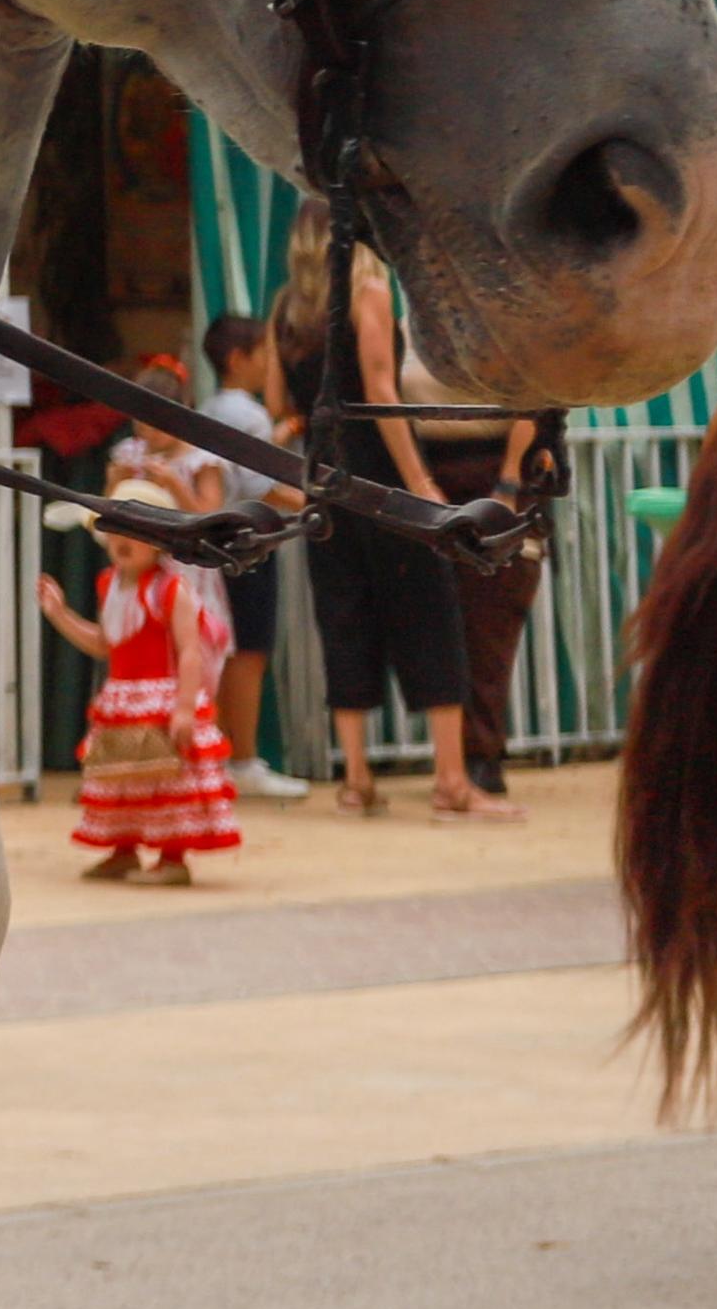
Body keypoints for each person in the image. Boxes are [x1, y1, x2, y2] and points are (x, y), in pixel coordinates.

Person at [273, 219, 493, 824]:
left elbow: (278, 404)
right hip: (382, 481)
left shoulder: (286, 311)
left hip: (327, 487)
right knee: (429, 615)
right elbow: (381, 390)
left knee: (344, 618)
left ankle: (357, 780)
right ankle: (450, 781)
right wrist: (419, 482)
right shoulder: (368, 294)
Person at [42, 453, 239, 882]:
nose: (120, 543)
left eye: (132, 534)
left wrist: (185, 707)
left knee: (166, 782)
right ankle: (124, 848)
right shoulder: (109, 585)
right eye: (113, 534)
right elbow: (103, 643)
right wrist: (59, 615)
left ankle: (172, 858)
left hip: (161, 697)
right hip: (121, 698)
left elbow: (189, 650)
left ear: (157, 541)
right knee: (122, 779)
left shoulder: (172, 589)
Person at [194, 313, 314, 802]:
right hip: (249, 542)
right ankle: (242, 758)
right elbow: (260, 482)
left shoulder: (211, 408)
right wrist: (315, 503)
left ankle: (223, 756)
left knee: (224, 651)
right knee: (249, 653)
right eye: (263, 355)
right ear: (238, 359)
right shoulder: (250, 414)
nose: (270, 365)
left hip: (216, 545)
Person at [421, 404, 564, 805]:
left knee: (491, 630)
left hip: (500, 476)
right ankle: (462, 758)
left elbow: (529, 401)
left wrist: (509, 480)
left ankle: (481, 755)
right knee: (454, 633)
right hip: (437, 474)